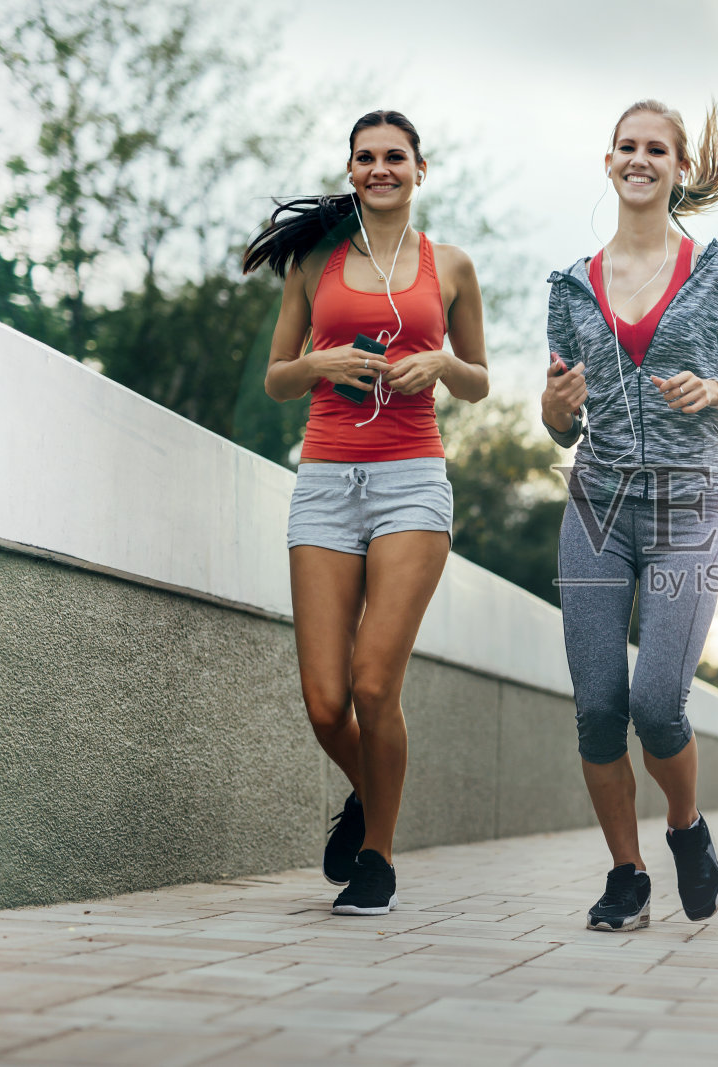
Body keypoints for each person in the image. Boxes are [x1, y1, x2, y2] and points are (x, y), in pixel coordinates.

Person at [541, 100, 718, 932]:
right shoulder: (571, 284)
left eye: (656, 149)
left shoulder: (716, 273)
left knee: (657, 702)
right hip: (597, 506)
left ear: (678, 169)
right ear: (608, 163)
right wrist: (552, 403)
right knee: (598, 705)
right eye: (626, 147)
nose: (639, 159)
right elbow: (558, 422)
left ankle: (686, 828)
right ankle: (626, 874)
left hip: (687, 504)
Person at [242, 110, 489, 915]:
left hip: (412, 480)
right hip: (324, 481)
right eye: (365, 157)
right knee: (324, 700)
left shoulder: (449, 266)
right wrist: (320, 359)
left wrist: (441, 362)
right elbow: (278, 378)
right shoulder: (313, 264)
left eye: (395, 156)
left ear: (422, 168)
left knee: (374, 682)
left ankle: (376, 856)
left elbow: (479, 380)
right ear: (350, 172)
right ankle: (367, 794)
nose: (380, 168)